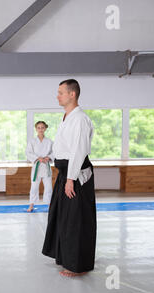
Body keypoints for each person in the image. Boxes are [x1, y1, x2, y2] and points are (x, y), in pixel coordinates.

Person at [41, 79, 97, 277]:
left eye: (61, 92)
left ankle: (77, 265)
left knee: (76, 220)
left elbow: (78, 151)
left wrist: (71, 179)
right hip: (66, 173)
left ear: (72, 94)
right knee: (62, 217)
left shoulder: (80, 119)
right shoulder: (67, 117)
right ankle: (65, 256)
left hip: (76, 175)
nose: (57, 96)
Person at [26, 121, 54, 212]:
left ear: (45, 128)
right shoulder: (32, 141)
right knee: (34, 186)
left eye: (42, 127)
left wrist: (48, 157)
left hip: (46, 167)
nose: (40, 129)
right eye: (39, 128)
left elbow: (54, 153)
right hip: (37, 167)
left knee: (49, 187)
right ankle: (31, 205)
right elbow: (28, 153)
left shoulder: (49, 141)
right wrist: (38, 158)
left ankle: (50, 205)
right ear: (36, 129)